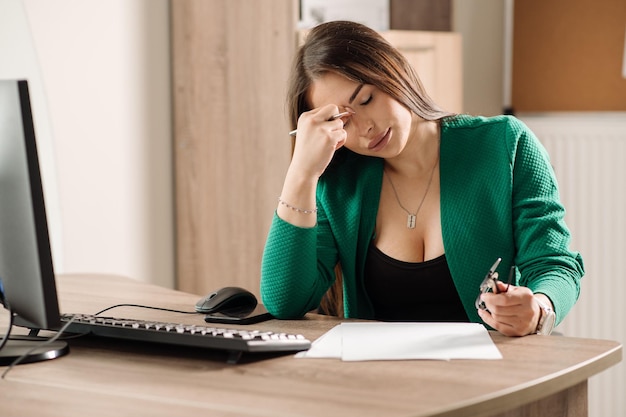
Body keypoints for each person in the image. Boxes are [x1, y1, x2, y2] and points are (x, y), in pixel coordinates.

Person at [260, 20, 584, 337]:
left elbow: (553, 263)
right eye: (341, 121)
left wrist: (540, 307)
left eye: (366, 100)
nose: (365, 128)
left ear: (393, 71)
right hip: (376, 381)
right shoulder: (338, 180)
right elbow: (285, 301)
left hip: (488, 374)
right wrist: (301, 172)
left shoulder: (503, 143)